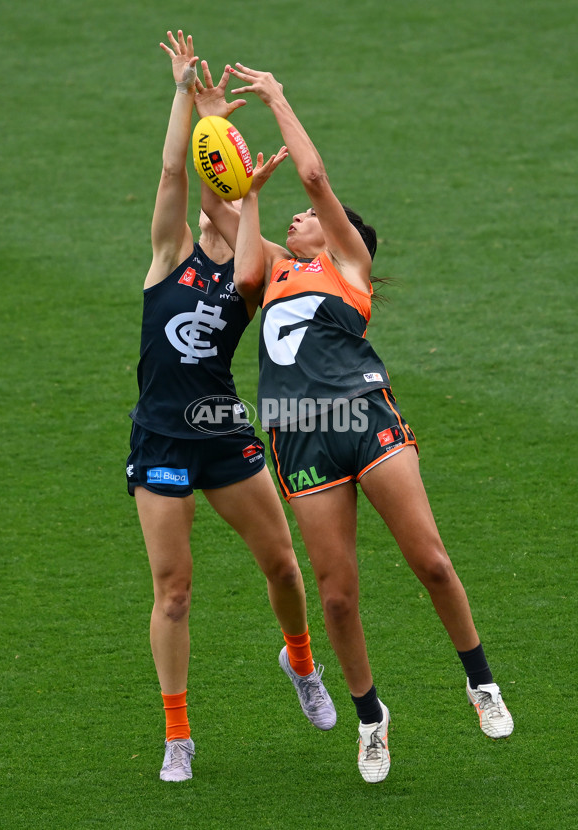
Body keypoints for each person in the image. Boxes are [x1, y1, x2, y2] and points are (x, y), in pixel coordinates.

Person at [216, 62, 514, 784]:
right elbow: (225, 232)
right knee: (338, 594)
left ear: (346, 237)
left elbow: (315, 177)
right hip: (298, 431)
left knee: (432, 560)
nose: (300, 215)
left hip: (364, 413)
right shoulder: (277, 270)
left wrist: (279, 97)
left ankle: (481, 683)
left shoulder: (345, 265)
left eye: (307, 218)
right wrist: (213, 134)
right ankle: (371, 720)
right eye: (295, 219)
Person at [126, 32, 335, 784]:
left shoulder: (256, 270)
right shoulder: (166, 256)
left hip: (221, 432)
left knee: (282, 564)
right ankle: (177, 734)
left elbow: (242, 247)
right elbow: (175, 169)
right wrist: (189, 98)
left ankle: (301, 662)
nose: (209, 209)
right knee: (173, 592)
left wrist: (248, 197)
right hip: (159, 439)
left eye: (225, 205)